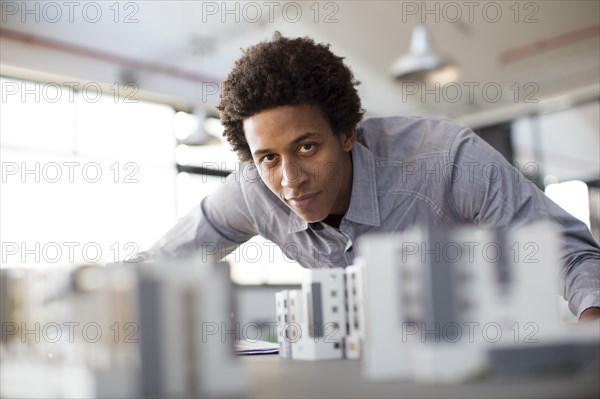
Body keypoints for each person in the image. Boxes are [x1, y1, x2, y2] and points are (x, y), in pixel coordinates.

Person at [135, 32, 600, 321]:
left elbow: (571, 254)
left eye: (306, 147)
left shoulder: (447, 158)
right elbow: (164, 262)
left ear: (347, 133)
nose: (291, 179)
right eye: (269, 158)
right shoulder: (253, 189)